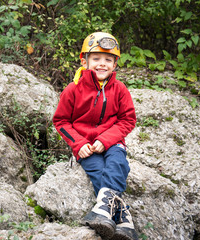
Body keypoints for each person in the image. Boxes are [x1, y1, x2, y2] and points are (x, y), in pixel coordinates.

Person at [52, 32, 139, 240]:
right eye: (96, 59)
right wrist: (78, 143)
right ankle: (123, 218)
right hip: (86, 147)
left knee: (118, 164)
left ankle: (102, 211)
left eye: (108, 60)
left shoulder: (119, 89)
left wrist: (106, 140)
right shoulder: (73, 90)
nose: (102, 64)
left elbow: (128, 120)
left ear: (115, 64)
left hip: (113, 142)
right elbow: (61, 122)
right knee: (99, 171)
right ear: (85, 61)